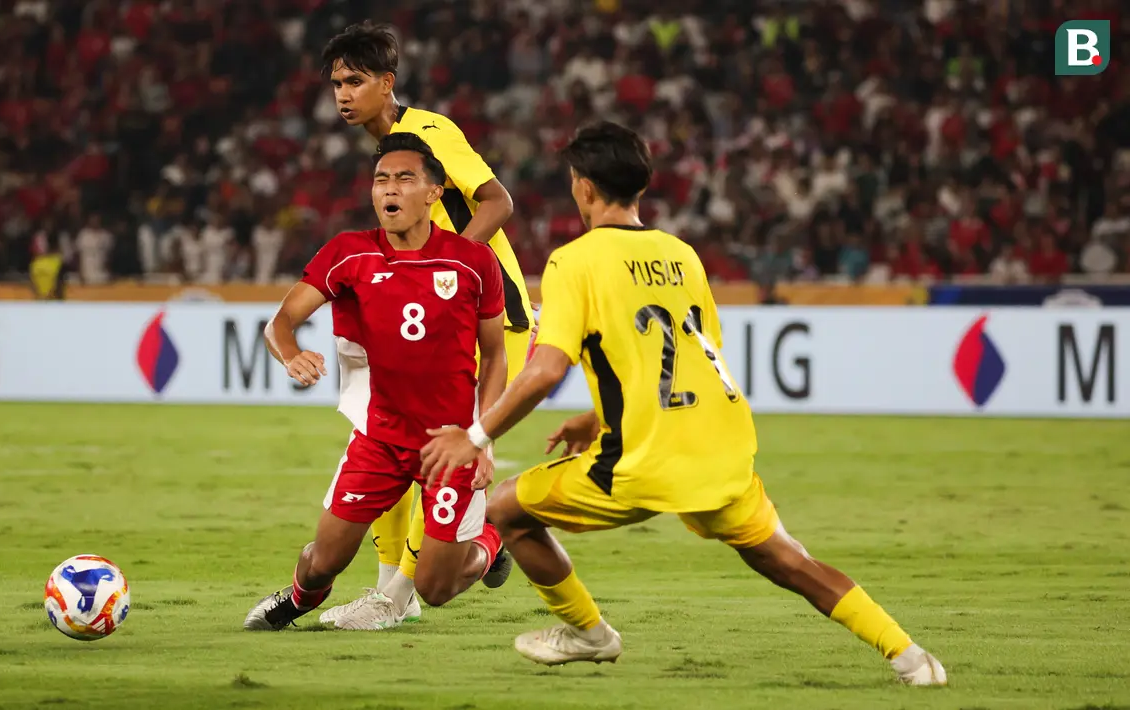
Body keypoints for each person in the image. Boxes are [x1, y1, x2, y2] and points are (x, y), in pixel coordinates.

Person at [420, 122, 947, 685]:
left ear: (585, 188)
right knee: (788, 560)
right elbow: (690, 358)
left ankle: (589, 633)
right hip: (721, 445)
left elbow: (546, 369)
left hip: (644, 458)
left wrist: (475, 435)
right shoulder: (682, 254)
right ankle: (911, 657)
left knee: (506, 511)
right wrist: (598, 418)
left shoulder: (574, 261)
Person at [243, 134, 509, 632]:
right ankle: (297, 600)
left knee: (435, 588)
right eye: (381, 179)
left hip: (450, 444)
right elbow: (280, 323)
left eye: (405, 178)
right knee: (323, 560)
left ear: (433, 192)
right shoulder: (350, 253)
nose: (390, 188)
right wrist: (292, 355)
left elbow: (494, 356)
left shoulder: (472, 261)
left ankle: (492, 538)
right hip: (380, 438)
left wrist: (483, 440)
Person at [316, 21, 532, 628]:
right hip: (433, 326)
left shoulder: (430, 133)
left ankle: (396, 599)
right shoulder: (389, 153)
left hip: (489, 321)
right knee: (381, 437)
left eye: (355, 81)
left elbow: (498, 201)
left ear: (387, 83)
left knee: (437, 453)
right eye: (337, 84)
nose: (343, 95)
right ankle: (396, 587)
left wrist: (445, 273)